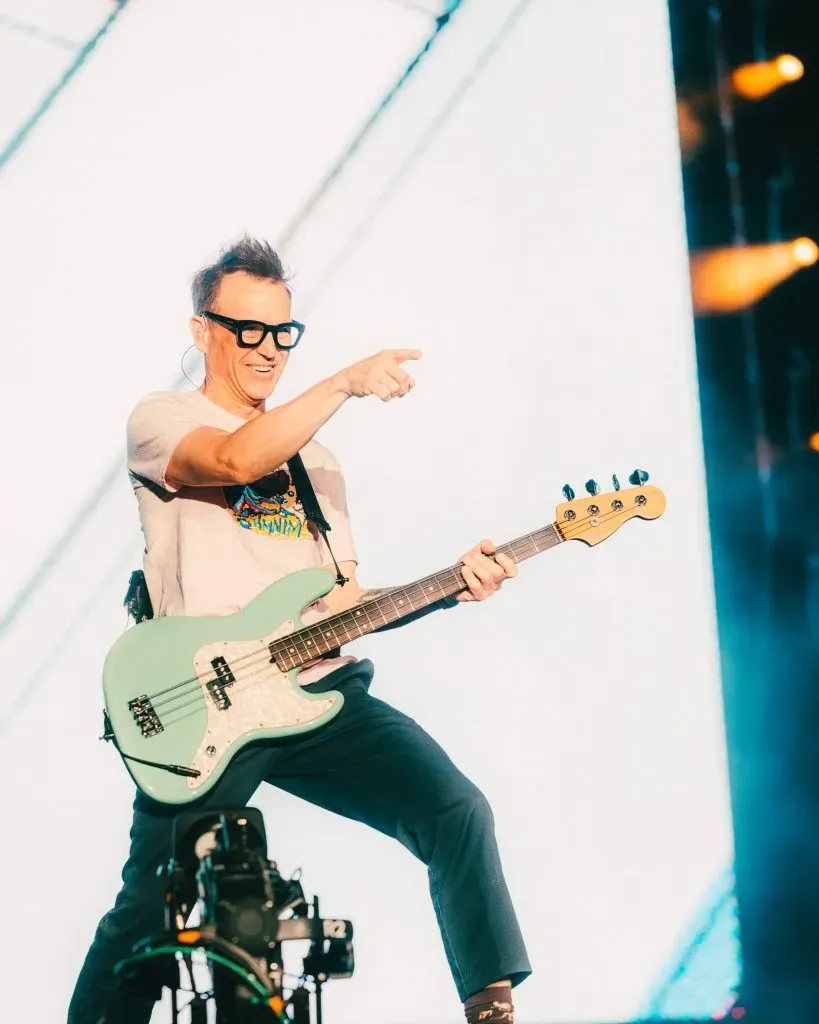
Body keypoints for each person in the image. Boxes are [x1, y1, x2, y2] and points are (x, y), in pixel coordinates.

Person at [68, 237, 531, 1024]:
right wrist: (344, 381)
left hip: (316, 695)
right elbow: (236, 458)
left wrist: (452, 587)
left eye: (284, 332)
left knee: (456, 811)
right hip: (200, 706)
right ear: (200, 331)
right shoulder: (163, 417)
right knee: (149, 908)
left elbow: (343, 604)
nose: (268, 350)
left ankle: (489, 1006)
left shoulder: (319, 465)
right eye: (248, 330)